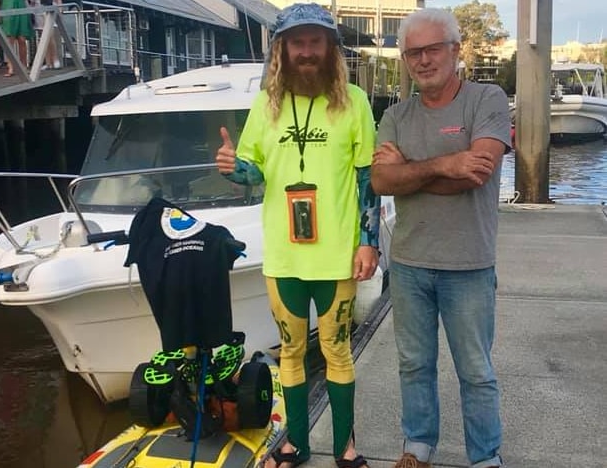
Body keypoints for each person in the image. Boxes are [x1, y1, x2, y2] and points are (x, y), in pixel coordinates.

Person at [215, 3, 380, 468]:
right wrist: (234, 168)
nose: (306, 52)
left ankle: (346, 448)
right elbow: (254, 173)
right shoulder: (265, 106)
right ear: (282, 49)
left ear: (330, 48)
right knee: (289, 350)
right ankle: (296, 446)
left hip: (336, 258)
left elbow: (369, 178)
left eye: (315, 42)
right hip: (284, 259)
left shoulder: (355, 101)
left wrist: (370, 242)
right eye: (297, 43)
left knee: (337, 352)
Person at [370, 8, 510, 468]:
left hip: (469, 264)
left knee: (476, 371)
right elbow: (381, 182)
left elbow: (479, 171)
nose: (423, 60)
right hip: (409, 263)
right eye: (414, 52)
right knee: (414, 364)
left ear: (455, 50)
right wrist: (446, 163)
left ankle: (485, 456)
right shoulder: (395, 114)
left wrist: (409, 169)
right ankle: (419, 444)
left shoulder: (487, 99)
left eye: (433, 49)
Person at [0, 0, 33, 77]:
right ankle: (10, 67)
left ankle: (23, 66)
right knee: (10, 40)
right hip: (7, 6)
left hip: (21, 6)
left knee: (22, 39)